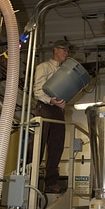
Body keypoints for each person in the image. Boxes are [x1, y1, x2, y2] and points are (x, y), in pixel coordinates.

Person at [33, 40, 71, 193]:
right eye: (64, 50)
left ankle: (51, 183)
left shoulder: (65, 72)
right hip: (45, 108)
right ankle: (30, 178)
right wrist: (51, 100)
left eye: (68, 51)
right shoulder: (44, 67)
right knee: (38, 145)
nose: (66, 53)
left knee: (56, 147)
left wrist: (62, 103)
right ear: (55, 50)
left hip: (57, 111)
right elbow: (37, 90)